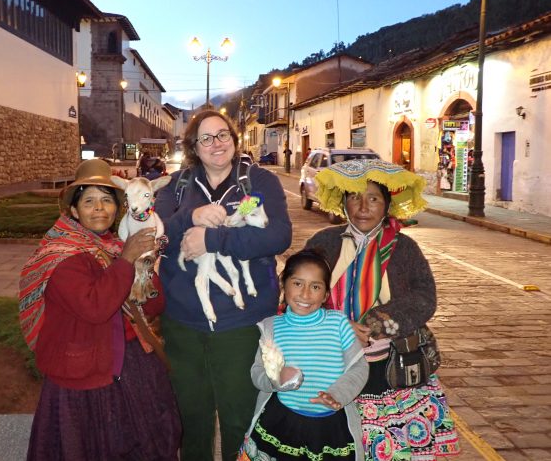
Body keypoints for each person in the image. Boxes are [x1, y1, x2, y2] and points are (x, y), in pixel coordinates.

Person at [20, 158, 181, 460]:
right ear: (73, 210)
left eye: (107, 200)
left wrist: (145, 265)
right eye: (89, 201)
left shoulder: (116, 246)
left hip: (131, 366)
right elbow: (95, 307)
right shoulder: (61, 257)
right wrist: (127, 261)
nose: (99, 208)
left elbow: (155, 304)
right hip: (83, 379)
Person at [155, 110, 292, 460]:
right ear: (194, 148)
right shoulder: (178, 186)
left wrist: (213, 240)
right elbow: (156, 235)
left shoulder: (257, 183)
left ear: (233, 139)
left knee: (239, 420)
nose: (216, 144)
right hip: (183, 326)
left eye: (223, 135)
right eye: (206, 138)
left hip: (242, 326)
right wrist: (191, 217)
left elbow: (277, 236)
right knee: (192, 421)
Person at [304, 159, 461, 460]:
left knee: (389, 449)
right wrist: (335, 325)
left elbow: (424, 297)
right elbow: (297, 292)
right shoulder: (323, 243)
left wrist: (372, 324)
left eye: (373, 198)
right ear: (344, 203)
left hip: (390, 371)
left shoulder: (404, 249)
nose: (363, 207)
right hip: (330, 363)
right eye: (354, 197)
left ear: (387, 205)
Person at [238, 248, 368, 461]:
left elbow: (359, 368)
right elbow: (257, 372)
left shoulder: (338, 324)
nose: (305, 294)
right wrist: (276, 379)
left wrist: (337, 394)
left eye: (315, 287)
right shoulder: (271, 328)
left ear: (326, 294)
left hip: (331, 427)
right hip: (282, 421)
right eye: (297, 283)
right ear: (284, 284)